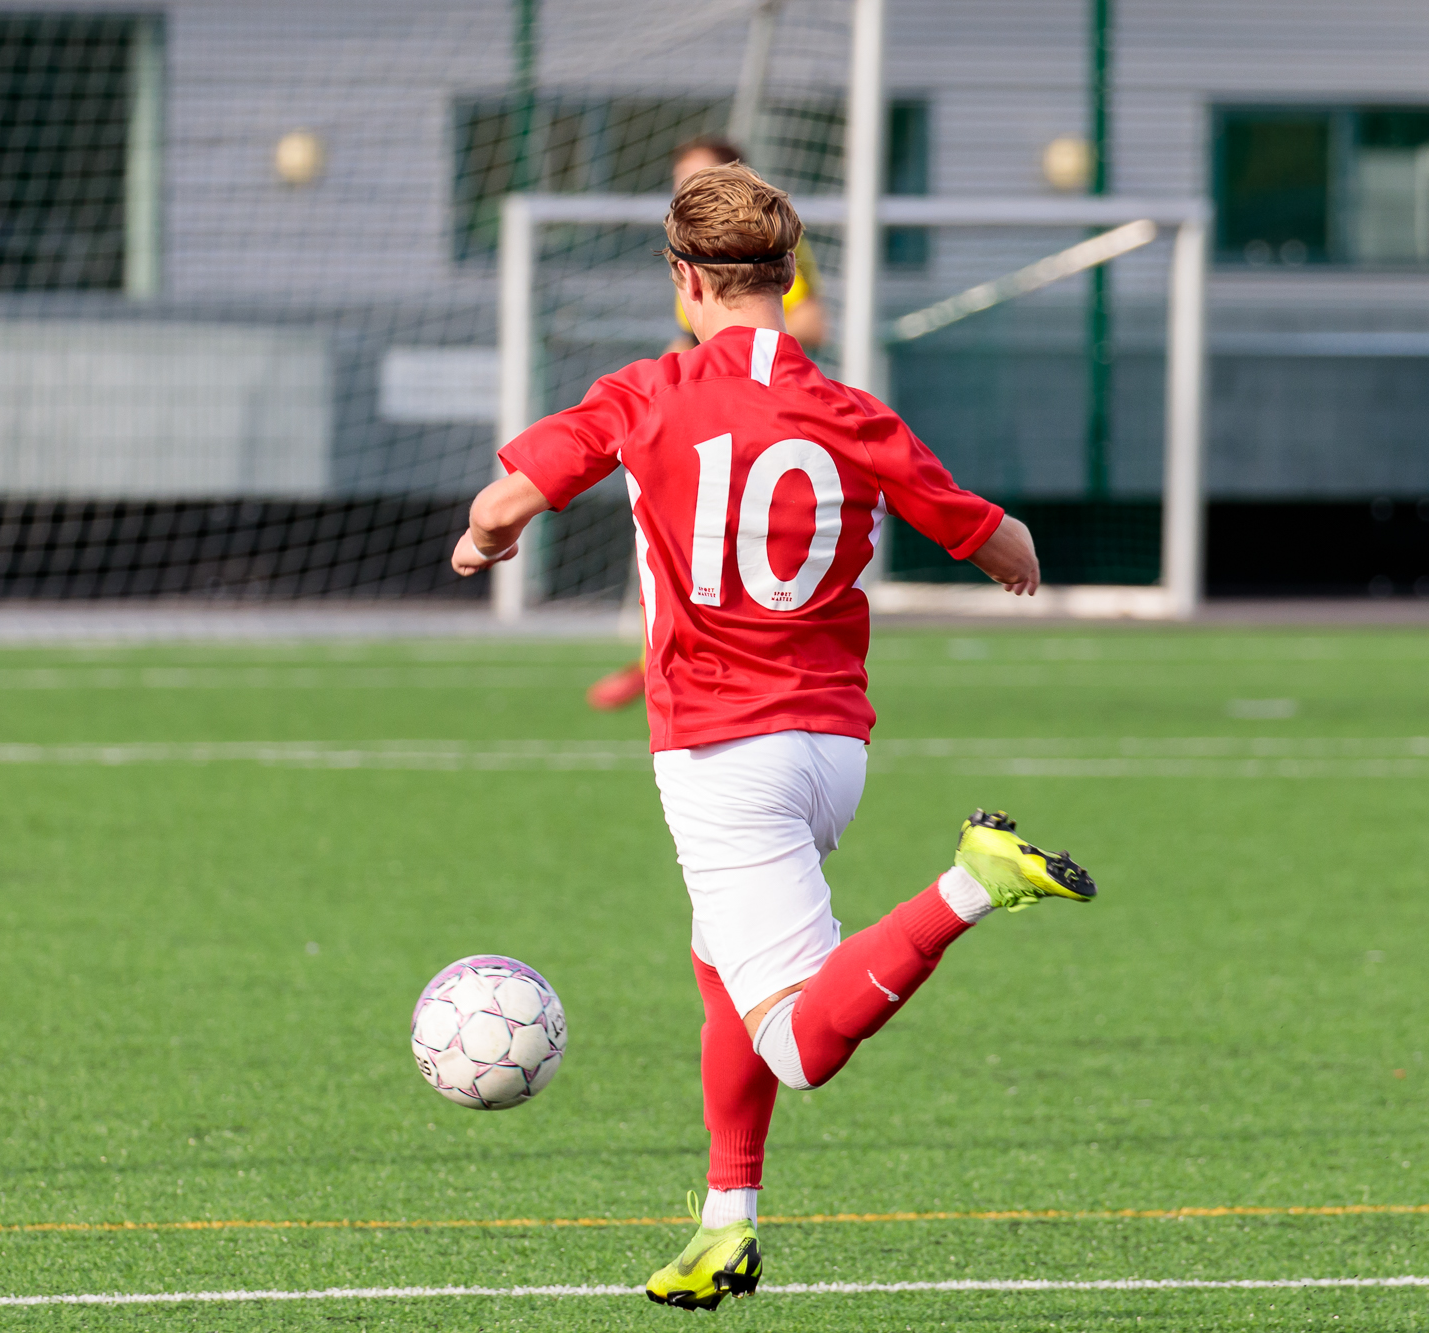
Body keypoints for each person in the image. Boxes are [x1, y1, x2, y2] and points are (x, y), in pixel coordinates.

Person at [451, 164, 1097, 1311]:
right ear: (788, 277)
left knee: (794, 1043)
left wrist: (482, 538)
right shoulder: (852, 412)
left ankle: (972, 882)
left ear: (685, 280)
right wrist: (1007, 552)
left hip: (719, 752)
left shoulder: (646, 392)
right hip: (832, 750)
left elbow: (506, 500)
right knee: (720, 966)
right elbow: (1001, 543)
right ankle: (726, 1221)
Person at [585, 134, 829, 712]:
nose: (686, 189)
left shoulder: (759, 246)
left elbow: (811, 322)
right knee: (670, 531)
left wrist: (729, 358)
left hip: (761, 415)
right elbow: (689, 341)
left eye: (701, 177)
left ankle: (725, 663)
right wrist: (669, 381)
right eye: (681, 180)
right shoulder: (691, 251)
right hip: (705, 413)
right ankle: (661, 656)